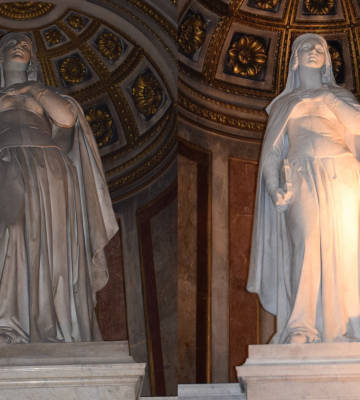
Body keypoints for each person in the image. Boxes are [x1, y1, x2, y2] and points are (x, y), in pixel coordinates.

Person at [0, 32, 118, 344]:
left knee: (55, 247)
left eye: (26, 44)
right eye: (11, 43)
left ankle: (53, 326)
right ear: (0, 56)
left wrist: (33, 88)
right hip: (6, 161)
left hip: (50, 169)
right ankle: (9, 325)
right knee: (13, 229)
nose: (19, 46)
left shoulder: (41, 92)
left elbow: (66, 119)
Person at [248, 33, 360, 344]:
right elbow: (272, 151)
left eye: (319, 48)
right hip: (300, 173)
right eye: (305, 47)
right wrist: (273, 187)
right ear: (294, 58)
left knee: (346, 250)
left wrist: (329, 98)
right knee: (307, 243)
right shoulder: (284, 103)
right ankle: (301, 326)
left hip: (343, 172)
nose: (312, 51)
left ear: (327, 59)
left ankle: (347, 328)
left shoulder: (341, 98)